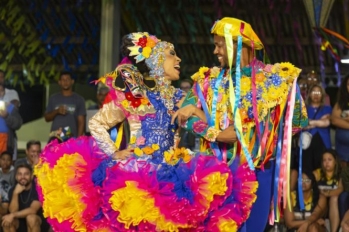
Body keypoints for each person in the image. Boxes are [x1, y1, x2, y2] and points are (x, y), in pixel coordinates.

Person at [34, 32, 257, 231]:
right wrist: (113, 152)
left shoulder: (181, 97)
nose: (178, 59)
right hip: (136, 175)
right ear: (156, 61)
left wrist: (202, 119)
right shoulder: (137, 96)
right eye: (172, 54)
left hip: (171, 177)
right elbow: (96, 124)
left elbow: (202, 127)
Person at [172, 17, 308, 231]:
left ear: (237, 44)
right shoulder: (208, 80)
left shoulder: (279, 80)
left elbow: (297, 122)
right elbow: (184, 116)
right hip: (217, 173)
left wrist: (261, 136)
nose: (215, 51)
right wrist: (215, 133)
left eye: (219, 45)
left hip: (260, 172)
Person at [1, 163, 50, 232]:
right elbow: (13, 211)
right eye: (20, 174)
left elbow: (33, 210)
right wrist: (15, 193)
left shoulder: (38, 189)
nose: (22, 177)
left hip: (38, 222)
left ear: (31, 176)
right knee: (7, 222)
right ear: (16, 176)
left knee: (31, 218)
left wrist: (12, 215)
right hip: (20, 221)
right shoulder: (13, 189)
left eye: (26, 174)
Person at [44, 71, 86, 137]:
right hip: (55, 136)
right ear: (59, 82)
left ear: (72, 81)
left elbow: (81, 122)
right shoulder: (53, 98)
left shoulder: (79, 99)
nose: (65, 82)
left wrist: (78, 140)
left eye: (67, 79)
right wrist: (57, 111)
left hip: (71, 138)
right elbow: (47, 118)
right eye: (63, 80)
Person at [313, 149, 343, 232]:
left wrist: (327, 193)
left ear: (335, 161)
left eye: (329, 160)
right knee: (320, 197)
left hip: (335, 207)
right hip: (320, 208)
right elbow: (310, 190)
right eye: (324, 160)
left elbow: (340, 189)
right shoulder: (317, 173)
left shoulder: (340, 174)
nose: (326, 162)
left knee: (334, 198)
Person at [331, 74, 349, 167]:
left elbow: (338, 120)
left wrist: (343, 120)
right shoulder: (341, 102)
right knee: (343, 175)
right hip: (343, 150)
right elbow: (334, 120)